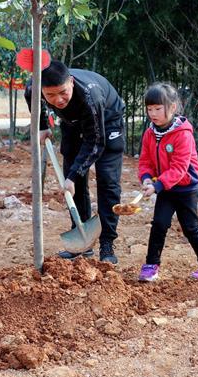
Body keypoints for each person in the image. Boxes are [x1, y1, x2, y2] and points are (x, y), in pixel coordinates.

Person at [25, 60, 124, 264]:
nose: (58, 100)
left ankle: (107, 244)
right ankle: (82, 243)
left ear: (70, 81)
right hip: (72, 122)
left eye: (62, 92)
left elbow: (96, 142)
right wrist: (43, 125)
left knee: (107, 181)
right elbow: (30, 97)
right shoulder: (34, 87)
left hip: (107, 118)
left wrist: (72, 176)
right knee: (74, 182)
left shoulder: (90, 95)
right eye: (50, 95)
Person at [136, 83, 198, 282]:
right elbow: (145, 161)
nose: (152, 113)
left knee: (190, 228)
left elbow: (180, 168)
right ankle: (151, 265)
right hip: (164, 187)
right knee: (159, 224)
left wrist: (157, 186)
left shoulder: (183, 134)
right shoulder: (149, 133)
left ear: (172, 107)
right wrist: (146, 178)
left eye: (157, 109)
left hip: (186, 187)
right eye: (149, 109)